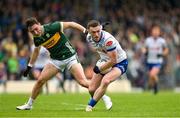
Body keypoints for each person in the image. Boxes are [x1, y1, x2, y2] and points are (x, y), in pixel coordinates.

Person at [16, 17, 89, 110]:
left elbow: (71, 24)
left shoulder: (53, 27)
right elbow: (36, 52)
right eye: (32, 32)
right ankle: (29, 105)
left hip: (70, 57)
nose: (35, 32)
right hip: (56, 60)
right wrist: (29, 66)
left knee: (83, 82)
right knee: (40, 81)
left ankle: (102, 96)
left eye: (36, 29)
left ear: (39, 24)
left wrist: (85, 31)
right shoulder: (36, 39)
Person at [85, 20, 128, 111]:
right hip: (105, 61)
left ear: (100, 29)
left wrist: (100, 68)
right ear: (88, 31)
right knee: (92, 89)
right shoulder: (88, 37)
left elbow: (113, 61)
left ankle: (90, 106)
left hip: (119, 62)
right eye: (93, 32)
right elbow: (83, 30)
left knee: (106, 81)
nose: (96, 34)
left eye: (98, 31)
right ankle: (105, 98)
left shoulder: (108, 40)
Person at [142, 25, 169, 94]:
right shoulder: (148, 40)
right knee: (153, 76)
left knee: (152, 74)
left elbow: (166, 50)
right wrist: (144, 51)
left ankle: (152, 86)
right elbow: (144, 48)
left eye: (157, 31)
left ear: (159, 32)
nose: (155, 32)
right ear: (152, 32)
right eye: (154, 31)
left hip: (158, 61)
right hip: (150, 61)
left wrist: (162, 54)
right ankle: (155, 87)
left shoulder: (162, 41)